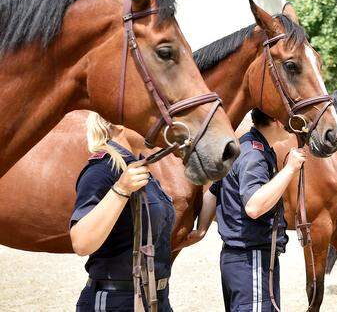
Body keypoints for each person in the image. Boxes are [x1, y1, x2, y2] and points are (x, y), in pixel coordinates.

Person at [198, 108, 305, 312]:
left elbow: (213, 191)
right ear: (276, 120)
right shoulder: (255, 155)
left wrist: (201, 229)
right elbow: (254, 206)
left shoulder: (242, 145)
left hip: (239, 260)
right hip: (251, 260)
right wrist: (290, 169)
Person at [70, 112, 175, 311]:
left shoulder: (138, 168)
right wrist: (121, 190)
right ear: (117, 124)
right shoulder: (102, 170)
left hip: (155, 299)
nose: (155, 124)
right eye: (147, 117)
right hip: (116, 301)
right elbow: (81, 243)